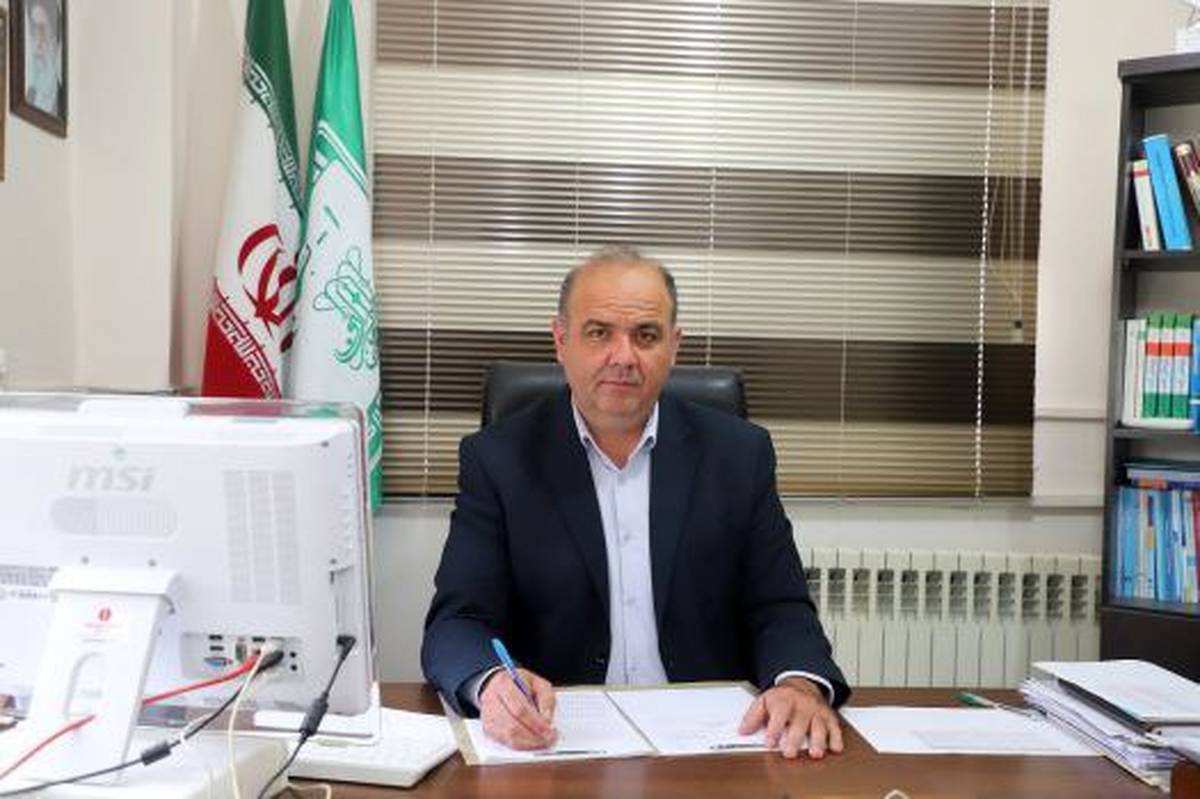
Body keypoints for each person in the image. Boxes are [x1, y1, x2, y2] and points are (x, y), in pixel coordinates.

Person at [421, 245, 849, 760]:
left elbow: (780, 606)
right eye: (599, 332)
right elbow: (458, 620)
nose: (623, 357)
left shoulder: (738, 455)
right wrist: (491, 684)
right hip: (558, 744)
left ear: (674, 346)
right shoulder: (500, 459)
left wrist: (798, 686)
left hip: (711, 747)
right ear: (561, 340)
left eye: (645, 335)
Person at [24, 0, 62, 117]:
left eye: (43, 27)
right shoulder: (26, 91)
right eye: (35, 27)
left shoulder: (60, 96)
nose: (39, 35)